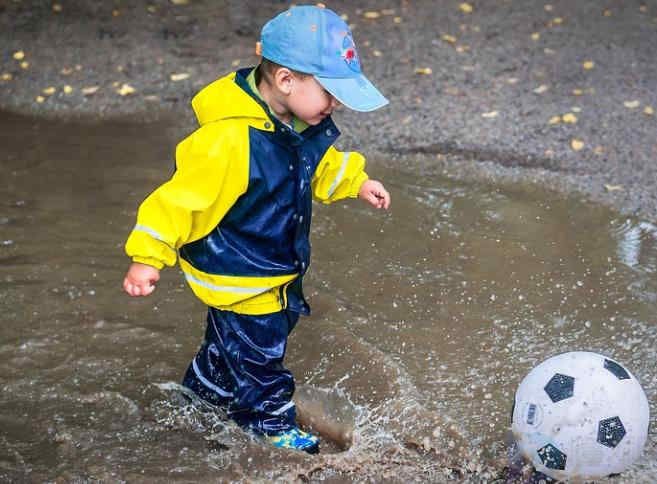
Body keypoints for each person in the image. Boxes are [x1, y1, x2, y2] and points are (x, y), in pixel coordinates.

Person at [122, 4, 390, 454]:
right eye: (330, 91)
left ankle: (201, 395)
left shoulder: (294, 123)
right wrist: (147, 258)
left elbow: (315, 166)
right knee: (263, 360)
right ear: (286, 80)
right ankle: (268, 426)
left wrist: (357, 182)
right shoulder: (228, 140)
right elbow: (178, 199)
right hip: (243, 274)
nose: (336, 103)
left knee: (229, 346)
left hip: (262, 268)